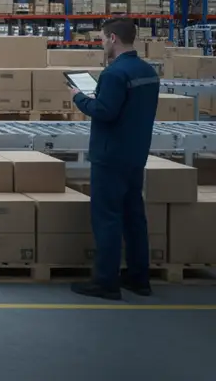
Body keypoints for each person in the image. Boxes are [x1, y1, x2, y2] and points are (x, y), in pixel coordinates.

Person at [68, 17, 159, 301]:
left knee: (106, 218)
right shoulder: (148, 71)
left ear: (113, 39)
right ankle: (138, 277)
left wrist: (79, 98)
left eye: (102, 38)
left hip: (109, 156)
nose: (101, 43)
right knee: (134, 217)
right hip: (135, 153)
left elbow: (105, 111)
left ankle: (106, 282)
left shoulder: (114, 74)